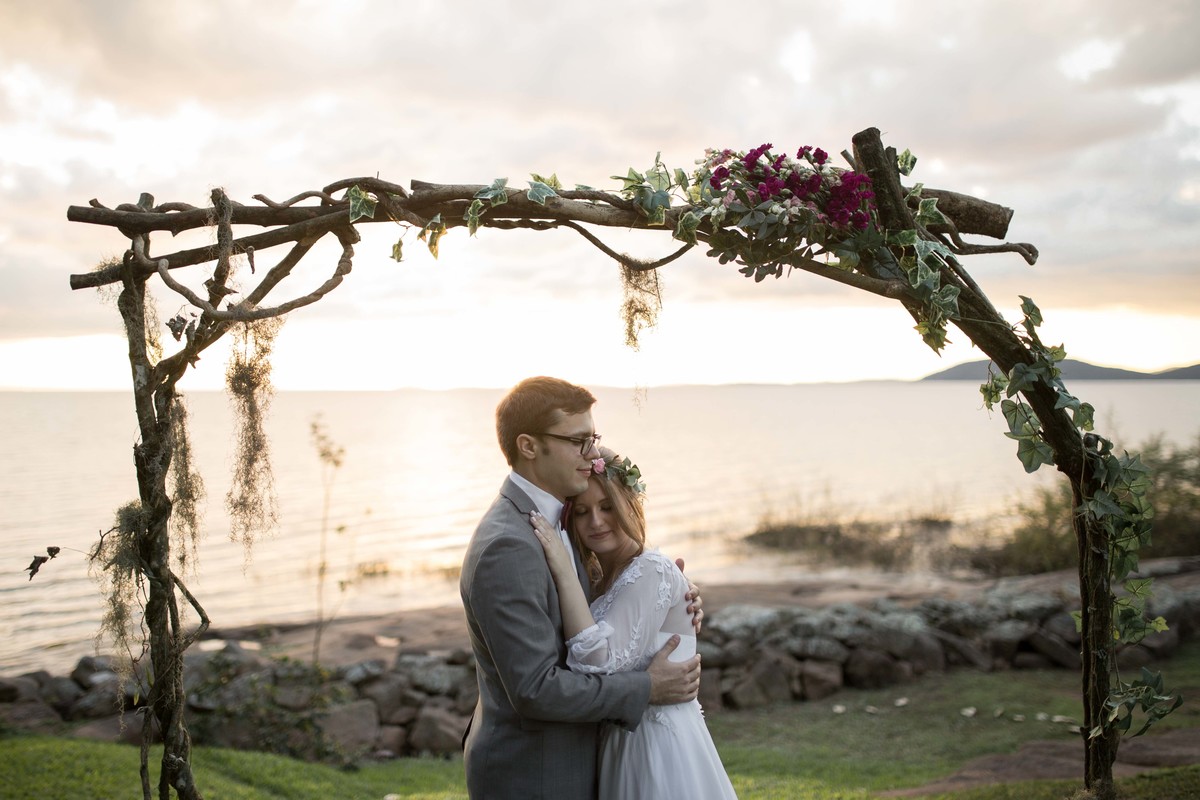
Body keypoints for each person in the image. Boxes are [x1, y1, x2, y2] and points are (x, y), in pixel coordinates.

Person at [459, 377, 704, 800]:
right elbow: (536, 689)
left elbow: (595, 613)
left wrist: (666, 598)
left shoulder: (554, 523)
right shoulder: (509, 544)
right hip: (535, 775)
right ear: (529, 446)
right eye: (578, 441)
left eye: (593, 439)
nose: (591, 454)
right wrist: (648, 687)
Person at [529, 446, 739, 800]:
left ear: (632, 503)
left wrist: (562, 569)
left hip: (657, 749)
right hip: (619, 743)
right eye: (582, 512)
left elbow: (597, 663)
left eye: (607, 506)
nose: (596, 521)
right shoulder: (597, 578)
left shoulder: (651, 569)